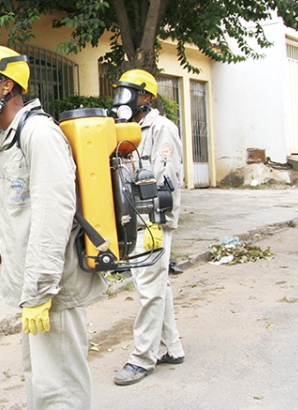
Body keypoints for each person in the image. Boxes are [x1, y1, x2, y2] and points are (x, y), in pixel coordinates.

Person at [0, 45, 106, 409]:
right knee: (40, 382)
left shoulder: (39, 134)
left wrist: (39, 293)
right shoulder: (12, 138)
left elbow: (54, 216)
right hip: (36, 292)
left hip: (54, 291)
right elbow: (6, 214)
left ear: (4, 86)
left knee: (60, 390)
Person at [110, 69, 185, 386]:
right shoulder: (129, 129)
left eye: (127, 92)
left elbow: (165, 179)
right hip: (136, 221)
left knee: (150, 292)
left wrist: (156, 222)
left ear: (145, 97)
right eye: (119, 92)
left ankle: (143, 358)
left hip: (152, 221)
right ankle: (172, 347)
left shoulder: (161, 128)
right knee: (157, 287)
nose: (120, 99)